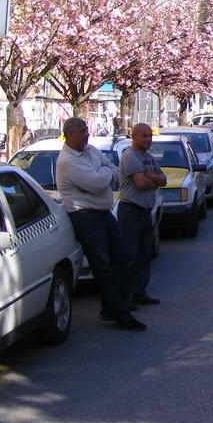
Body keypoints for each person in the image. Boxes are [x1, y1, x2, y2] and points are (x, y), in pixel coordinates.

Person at [56, 117, 145, 332]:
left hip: (103, 213)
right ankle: (120, 313)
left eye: (86, 130)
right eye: (82, 131)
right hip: (85, 217)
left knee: (122, 257)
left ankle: (114, 305)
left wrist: (103, 174)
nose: (87, 134)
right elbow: (97, 183)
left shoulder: (90, 151)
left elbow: (112, 170)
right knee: (102, 265)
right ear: (69, 134)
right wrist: (103, 175)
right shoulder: (68, 161)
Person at [118, 123, 167, 306]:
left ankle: (140, 292)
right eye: (144, 136)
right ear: (134, 136)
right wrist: (153, 180)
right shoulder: (130, 157)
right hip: (131, 212)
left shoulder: (149, 158)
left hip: (145, 212)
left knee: (144, 256)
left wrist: (152, 177)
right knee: (130, 256)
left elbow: (163, 180)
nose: (148, 139)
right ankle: (126, 297)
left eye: (150, 136)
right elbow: (140, 183)